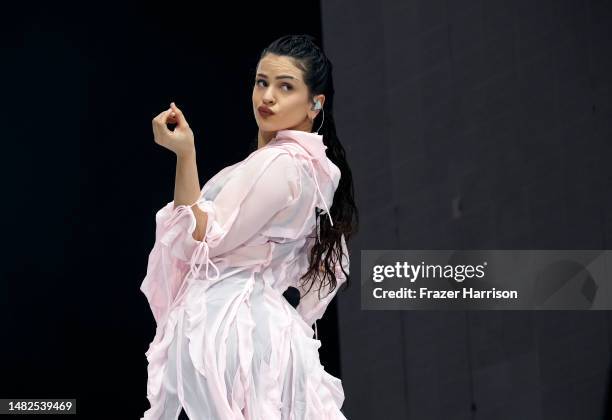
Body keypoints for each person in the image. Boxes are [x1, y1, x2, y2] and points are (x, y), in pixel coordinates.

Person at [140, 34, 359, 420]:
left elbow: (202, 240)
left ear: (315, 104)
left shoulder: (281, 164)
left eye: (285, 86)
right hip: (253, 323)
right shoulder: (306, 167)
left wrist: (185, 153)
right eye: (262, 82)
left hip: (228, 323)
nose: (268, 96)